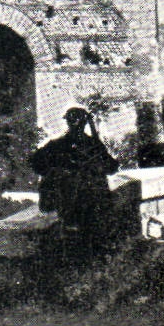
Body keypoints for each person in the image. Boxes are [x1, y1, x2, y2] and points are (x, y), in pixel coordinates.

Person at [31, 103, 120, 246]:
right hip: (81, 205)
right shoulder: (87, 144)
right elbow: (112, 167)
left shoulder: (59, 144)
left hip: (80, 206)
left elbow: (111, 167)